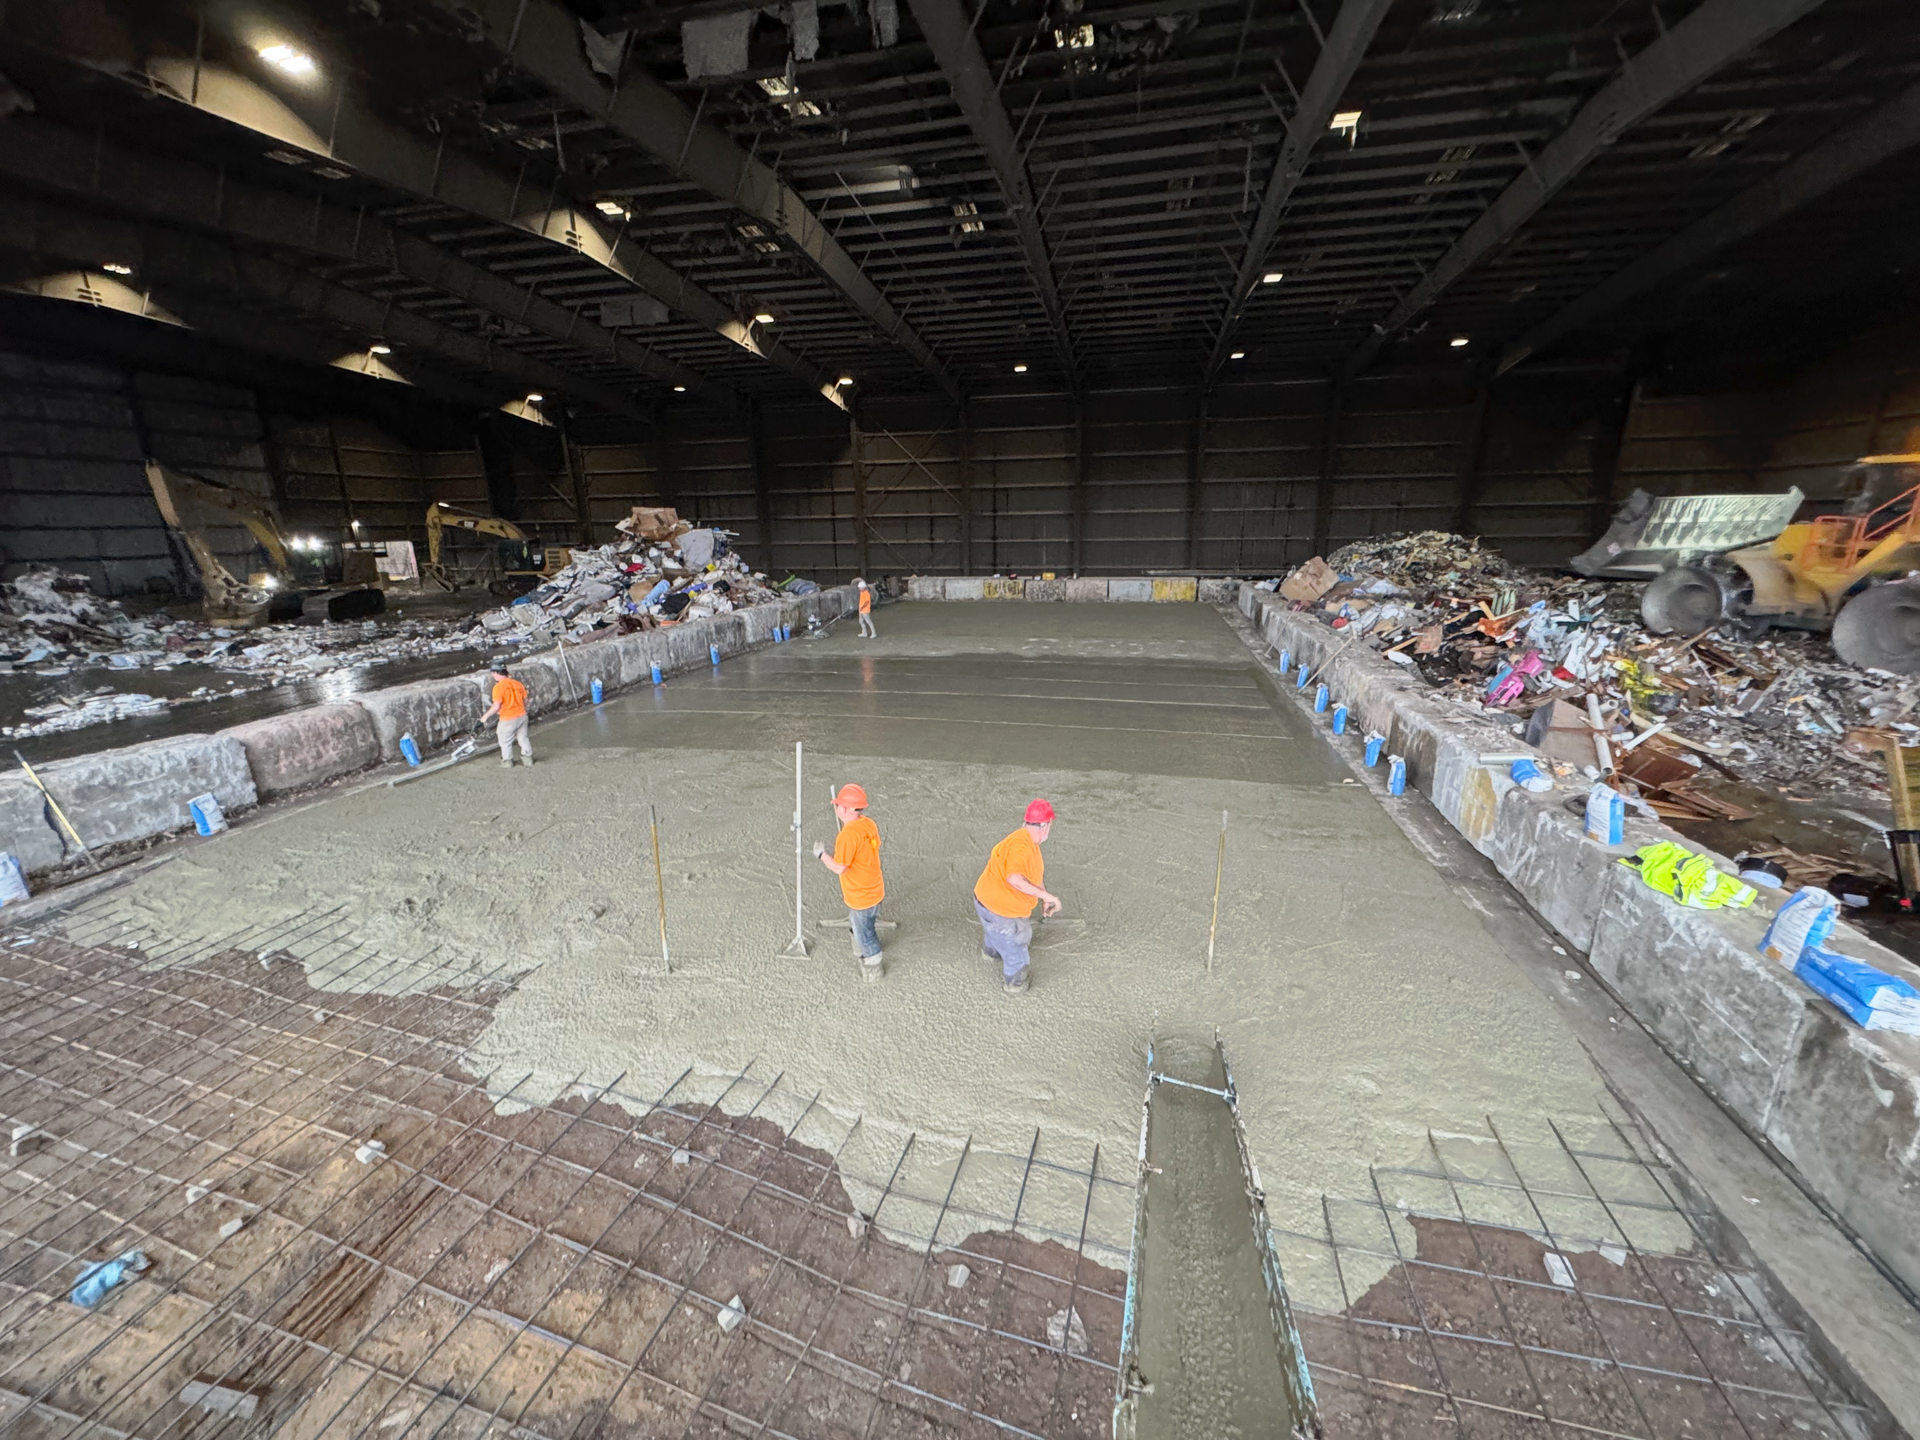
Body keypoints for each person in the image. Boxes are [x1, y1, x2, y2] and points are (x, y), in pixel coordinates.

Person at [973, 799, 1060, 994]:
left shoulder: (1021, 838)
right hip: (1003, 911)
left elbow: (1032, 876)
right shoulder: (1022, 848)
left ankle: (991, 953)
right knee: (1016, 944)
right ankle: (1015, 983)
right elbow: (1015, 878)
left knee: (993, 930)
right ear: (1045, 826)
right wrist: (1049, 897)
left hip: (984, 900)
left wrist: (1044, 897)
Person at [814, 784, 885, 980]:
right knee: (865, 921)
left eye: (837, 804)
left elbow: (839, 867)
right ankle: (862, 941)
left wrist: (822, 855)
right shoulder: (869, 823)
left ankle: (873, 966)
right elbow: (873, 845)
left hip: (859, 896)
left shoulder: (847, 836)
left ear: (844, 809)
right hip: (875, 889)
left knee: (866, 936)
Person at [479, 660, 532, 768]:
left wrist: (485, 716)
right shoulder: (517, 683)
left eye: (492, 673)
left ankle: (507, 761)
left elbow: (496, 706)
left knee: (505, 741)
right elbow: (526, 701)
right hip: (522, 715)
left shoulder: (498, 687)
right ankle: (528, 759)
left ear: (495, 673)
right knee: (523, 738)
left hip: (508, 718)